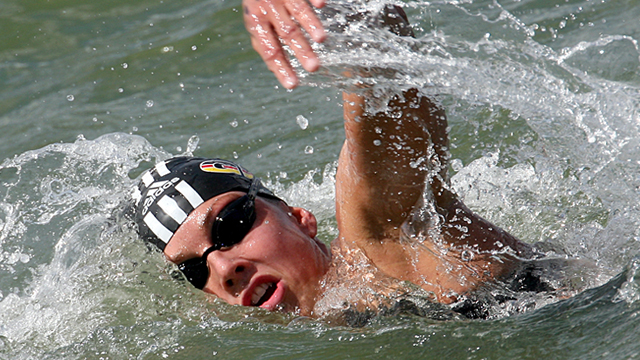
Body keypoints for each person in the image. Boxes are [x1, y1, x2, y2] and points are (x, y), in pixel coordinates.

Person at [131, 4, 572, 321]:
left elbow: (382, 69)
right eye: (194, 268)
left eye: (229, 226)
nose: (225, 269)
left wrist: (336, 15)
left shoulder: (384, 240)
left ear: (299, 217)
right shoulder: (327, 324)